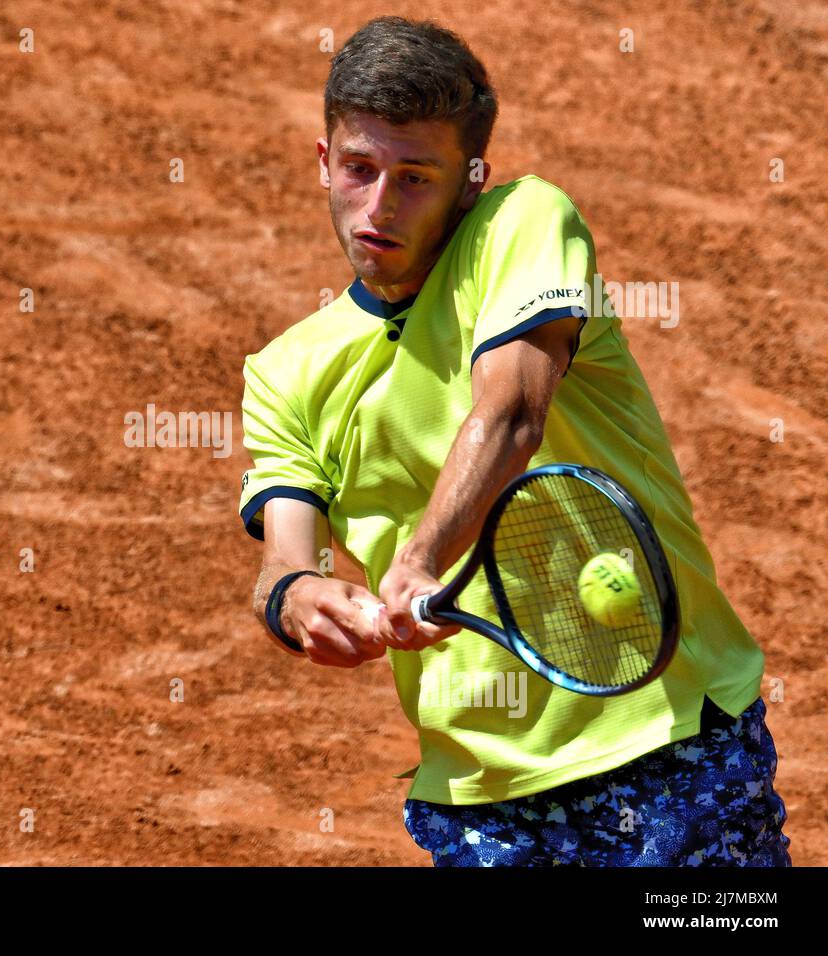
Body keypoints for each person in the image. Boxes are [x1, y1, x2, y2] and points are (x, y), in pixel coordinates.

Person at [238, 15, 791, 866]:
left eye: (415, 177)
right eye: (357, 169)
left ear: (470, 180)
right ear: (324, 162)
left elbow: (511, 415)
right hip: (479, 797)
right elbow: (284, 557)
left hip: (666, 738)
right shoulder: (283, 374)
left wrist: (418, 556)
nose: (378, 207)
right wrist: (296, 600)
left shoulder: (521, 226)